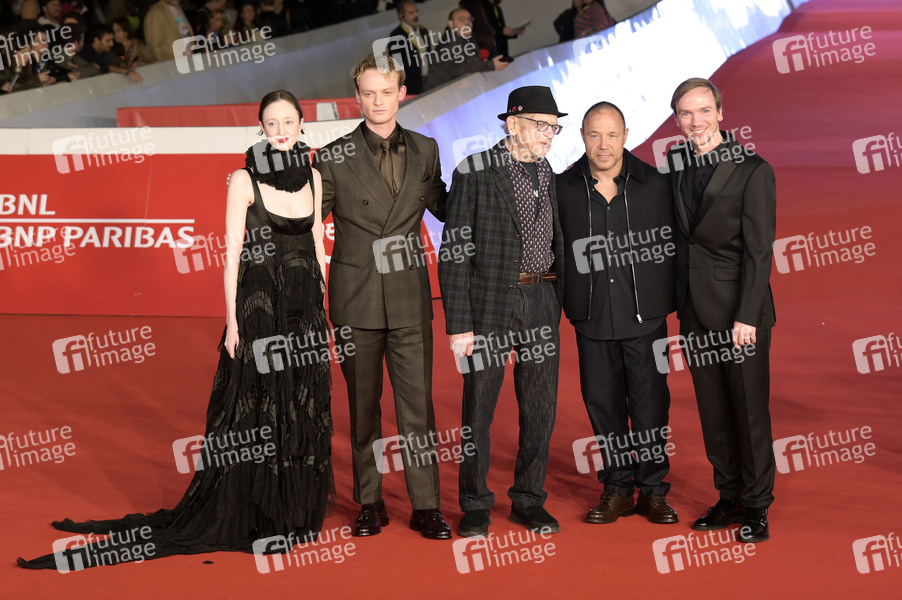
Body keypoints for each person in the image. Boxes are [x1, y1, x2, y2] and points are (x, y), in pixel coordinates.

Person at [18, 90, 334, 569]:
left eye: (288, 121)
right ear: (261, 128)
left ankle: (292, 510)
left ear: (301, 124)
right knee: (257, 408)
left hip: (304, 310)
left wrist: (320, 310)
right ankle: (254, 511)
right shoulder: (242, 179)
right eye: (272, 123)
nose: (281, 131)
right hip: (258, 309)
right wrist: (232, 322)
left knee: (300, 405)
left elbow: (317, 246)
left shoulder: (313, 176)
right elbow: (231, 254)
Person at [313, 54, 451, 540]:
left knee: (418, 409)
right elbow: (307, 217)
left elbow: (445, 205)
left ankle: (427, 505)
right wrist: (253, 189)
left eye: (386, 92)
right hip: (357, 297)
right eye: (369, 93)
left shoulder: (426, 149)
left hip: (409, 296)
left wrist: (488, 185)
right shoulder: (332, 157)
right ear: (357, 96)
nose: (378, 102)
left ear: (401, 93)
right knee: (363, 408)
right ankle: (369, 501)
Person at [438, 86, 565, 537]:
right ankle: (475, 501)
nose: (548, 134)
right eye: (540, 125)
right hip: (489, 304)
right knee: (479, 409)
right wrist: (460, 325)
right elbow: (454, 252)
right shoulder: (474, 171)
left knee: (541, 408)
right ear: (512, 124)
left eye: (554, 127)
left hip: (541, 299)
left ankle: (529, 498)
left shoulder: (550, 173)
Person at [665, 77, 777, 543]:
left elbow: (759, 252)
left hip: (739, 314)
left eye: (704, 111)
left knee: (748, 411)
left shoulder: (753, 170)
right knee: (713, 411)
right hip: (694, 309)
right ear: (677, 119)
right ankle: (728, 495)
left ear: (721, 113)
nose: (696, 121)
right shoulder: (675, 164)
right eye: (686, 113)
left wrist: (746, 316)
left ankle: (757, 504)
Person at [557, 101, 678, 525]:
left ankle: (654, 491)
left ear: (626, 135)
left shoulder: (655, 184)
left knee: (650, 407)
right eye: (594, 135)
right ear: (582, 137)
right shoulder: (563, 187)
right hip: (591, 318)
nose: (603, 144)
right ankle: (617, 489)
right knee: (603, 407)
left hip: (646, 317)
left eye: (612, 135)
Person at [422, 8, 507, 92]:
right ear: (451, 24)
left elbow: (471, 63)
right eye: (462, 19)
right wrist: (491, 65)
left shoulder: (466, 39)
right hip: (437, 95)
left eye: (470, 19)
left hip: (451, 92)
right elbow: (466, 68)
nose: (468, 23)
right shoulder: (449, 44)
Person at [388, 0, 430, 95]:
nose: (416, 15)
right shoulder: (396, 35)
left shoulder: (423, 31)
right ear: (401, 16)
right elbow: (397, 65)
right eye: (411, 13)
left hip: (428, 81)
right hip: (411, 86)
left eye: (416, 11)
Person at [108, 16, 152, 80]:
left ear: (126, 31)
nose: (115, 34)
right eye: (113, 31)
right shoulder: (111, 48)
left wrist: (141, 64)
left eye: (118, 31)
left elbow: (153, 61)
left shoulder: (140, 45)